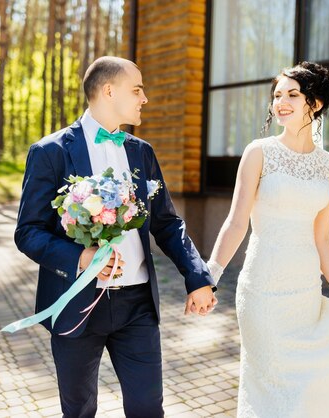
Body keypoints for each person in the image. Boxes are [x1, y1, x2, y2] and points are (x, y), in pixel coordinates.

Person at [14, 56, 217, 418]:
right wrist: (80, 258)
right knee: (79, 411)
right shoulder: (51, 152)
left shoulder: (142, 152)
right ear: (109, 90)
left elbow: (167, 223)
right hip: (76, 303)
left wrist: (197, 277)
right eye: (137, 89)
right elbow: (28, 232)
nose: (145, 98)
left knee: (147, 409)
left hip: (137, 305)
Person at [205, 62, 329, 417]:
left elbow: (321, 238)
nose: (281, 102)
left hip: (305, 295)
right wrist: (208, 276)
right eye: (277, 95)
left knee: (305, 395)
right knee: (269, 389)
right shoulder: (258, 152)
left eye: (292, 94)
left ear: (315, 103)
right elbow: (235, 222)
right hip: (261, 290)